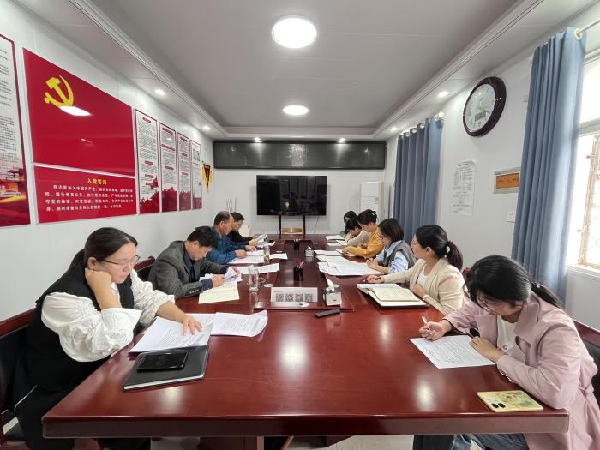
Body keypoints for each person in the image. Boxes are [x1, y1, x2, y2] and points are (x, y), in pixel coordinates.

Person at [15, 227, 202, 450]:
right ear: (93, 263)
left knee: (162, 381)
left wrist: (181, 317)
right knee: (133, 414)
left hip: (101, 373)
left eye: (133, 260)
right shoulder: (63, 298)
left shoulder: (123, 275)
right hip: (60, 389)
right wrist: (103, 291)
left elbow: (148, 299)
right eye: (122, 262)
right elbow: (113, 339)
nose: (129, 268)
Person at [415, 255, 600, 450]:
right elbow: (469, 311)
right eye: (480, 301)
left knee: (445, 421)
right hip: (508, 394)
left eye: (488, 302)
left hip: (546, 424)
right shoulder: (494, 305)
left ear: (517, 300)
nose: (484, 307)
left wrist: (497, 356)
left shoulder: (556, 328)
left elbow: (555, 393)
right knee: (437, 408)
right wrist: (444, 325)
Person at [367, 225, 463, 314]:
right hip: (419, 314)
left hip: (435, 322)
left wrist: (424, 296)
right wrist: (382, 279)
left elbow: (451, 313)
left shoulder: (449, 275)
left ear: (428, 250)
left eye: (414, 243)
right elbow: (406, 275)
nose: (411, 246)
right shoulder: (422, 262)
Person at [149, 226, 236, 299]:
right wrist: (208, 283)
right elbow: (174, 291)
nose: (205, 255)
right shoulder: (170, 258)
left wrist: (224, 269)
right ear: (195, 244)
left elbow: (206, 265)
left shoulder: (192, 252)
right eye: (205, 251)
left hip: (185, 301)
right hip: (164, 306)